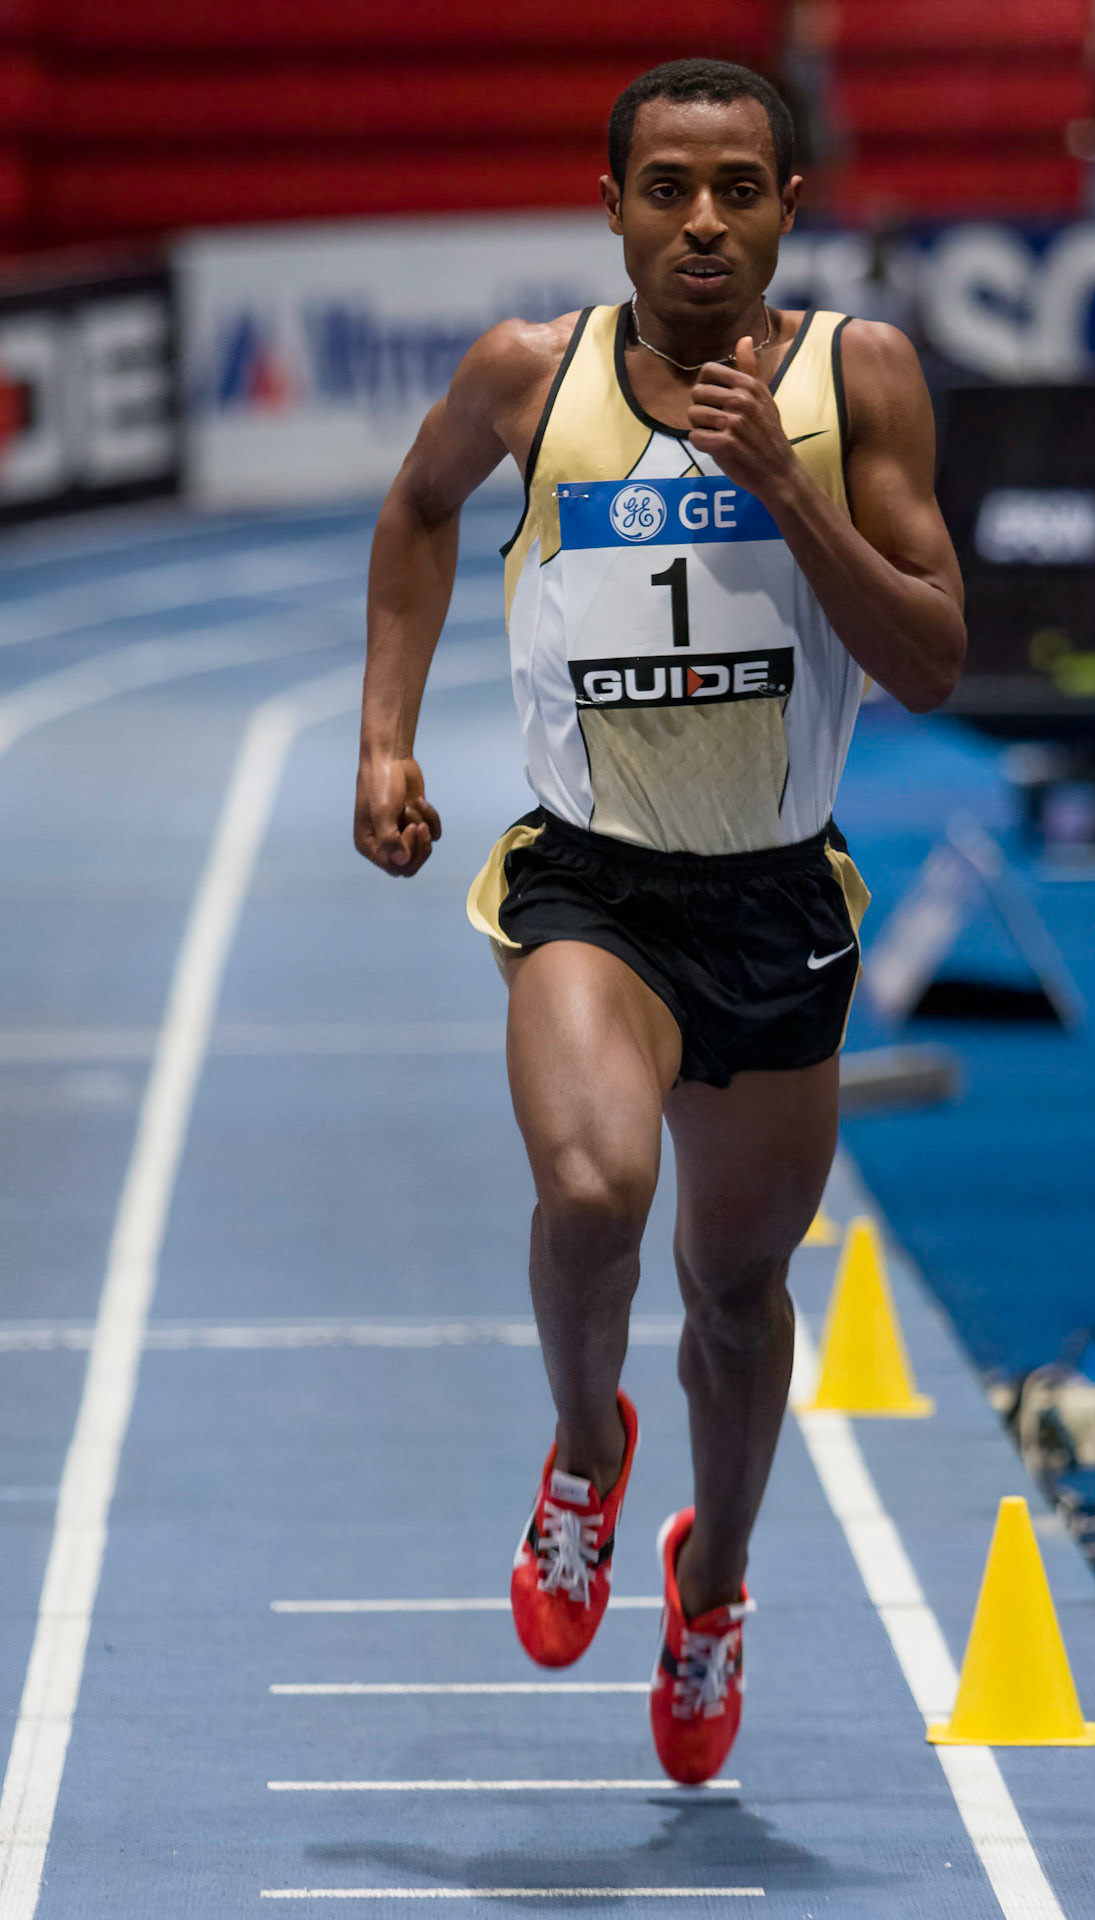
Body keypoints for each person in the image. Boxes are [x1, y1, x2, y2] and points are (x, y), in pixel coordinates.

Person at [353, 57, 965, 1784]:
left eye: (740, 189)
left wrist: (785, 485)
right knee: (593, 1188)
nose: (704, 220)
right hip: (587, 878)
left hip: (774, 894)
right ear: (613, 204)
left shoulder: (863, 381)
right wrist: (386, 737)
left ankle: (714, 1585)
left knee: (731, 1290)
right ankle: (579, 1456)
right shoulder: (527, 377)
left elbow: (928, 660)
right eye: (669, 188)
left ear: (788, 205)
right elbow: (414, 512)